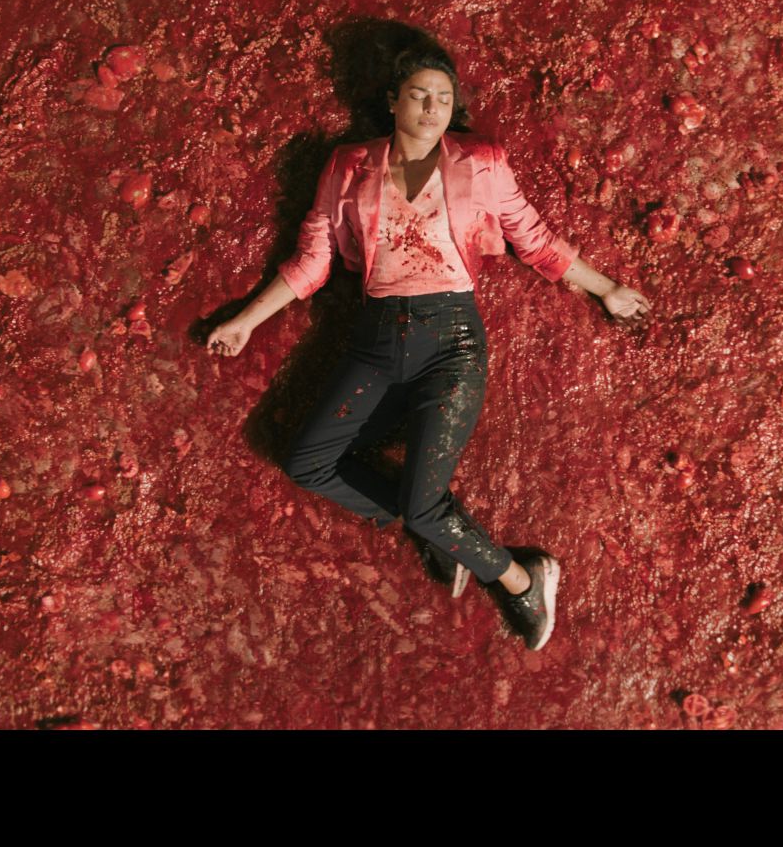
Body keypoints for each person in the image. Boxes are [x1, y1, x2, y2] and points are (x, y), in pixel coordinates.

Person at [206, 41, 653, 651]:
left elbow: (533, 238)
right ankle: (440, 527)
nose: (432, 107)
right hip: (376, 341)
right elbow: (313, 261)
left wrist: (608, 289)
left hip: (451, 341)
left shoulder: (482, 162)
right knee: (309, 462)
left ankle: (522, 578)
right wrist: (247, 322)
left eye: (444, 99)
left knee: (422, 510)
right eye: (419, 95)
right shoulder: (348, 164)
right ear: (393, 101)